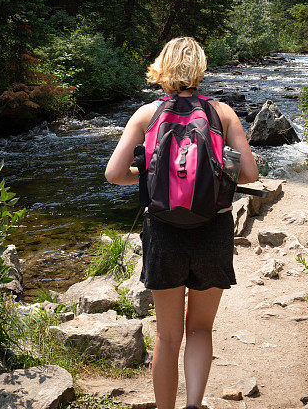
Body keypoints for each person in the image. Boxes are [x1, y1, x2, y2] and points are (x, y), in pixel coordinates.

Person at [105, 36, 259, 409]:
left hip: (163, 232)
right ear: (201, 69)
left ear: (163, 67)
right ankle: (193, 405)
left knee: (168, 335)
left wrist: (147, 177)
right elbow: (250, 174)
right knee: (201, 329)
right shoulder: (222, 113)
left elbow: (113, 173)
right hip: (213, 228)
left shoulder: (146, 114)